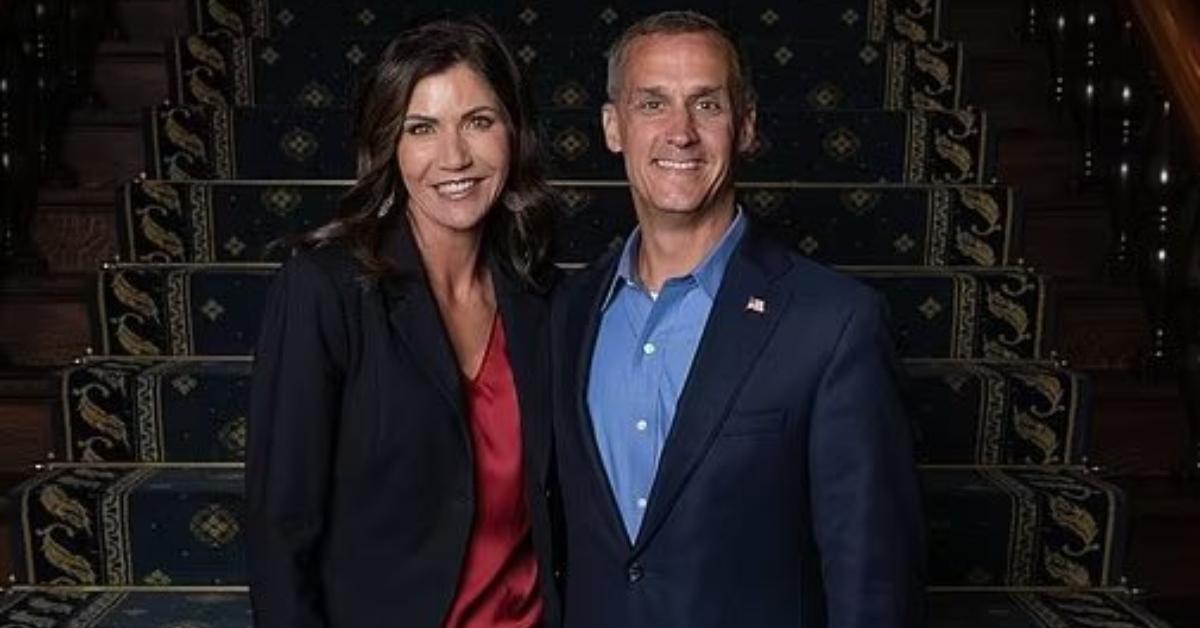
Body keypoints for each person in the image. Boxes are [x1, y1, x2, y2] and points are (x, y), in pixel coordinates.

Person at [550, 11, 925, 628]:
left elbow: (872, 579)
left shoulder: (834, 324)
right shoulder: (568, 312)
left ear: (745, 125)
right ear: (613, 127)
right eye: (652, 104)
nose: (680, 133)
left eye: (707, 105)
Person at [247, 17, 561, 628]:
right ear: (389, 144)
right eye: (422, 128)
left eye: (479, 121)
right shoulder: (326, 290)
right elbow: (280, 526)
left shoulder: (545, 299)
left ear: (514, 132)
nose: (455, 157)